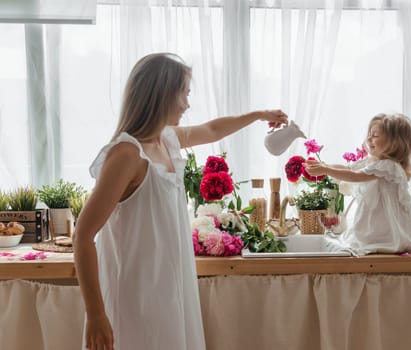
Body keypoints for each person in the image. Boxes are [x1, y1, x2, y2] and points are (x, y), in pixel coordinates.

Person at [73, 52, 288, 350]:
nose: (188, 103)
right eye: (184, 93)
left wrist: (259, 115)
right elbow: (82, 236)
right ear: (162, 93)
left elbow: (213, 129)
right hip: (135, 295)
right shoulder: (127, 154)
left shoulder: (166, 139)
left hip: (169, 290)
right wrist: (96, 314)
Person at [304, 113, 411, 255]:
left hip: (383, 226)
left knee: (374, 239)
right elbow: (349, 169)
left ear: (394, 142)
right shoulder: (373, 162)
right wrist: (323, 165)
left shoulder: (388, 166)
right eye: (369, 134)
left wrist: (325, 170)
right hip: (374, 221)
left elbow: (355, 176)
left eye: (375, 135)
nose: (369, 138)